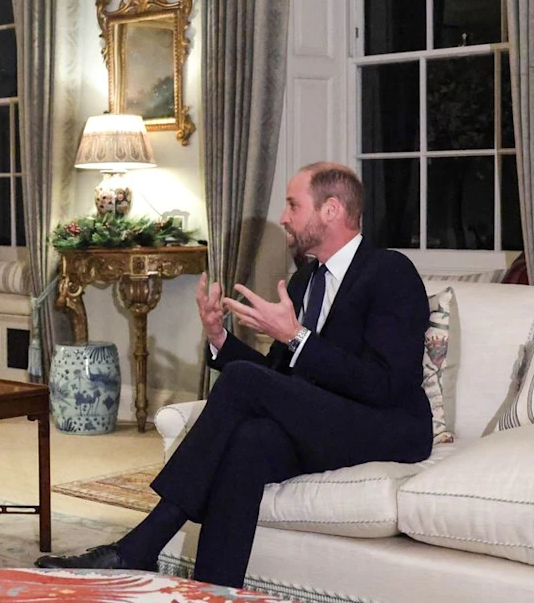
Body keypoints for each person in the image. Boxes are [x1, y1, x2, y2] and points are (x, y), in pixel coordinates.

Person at [35, 162, 432, 586]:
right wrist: (220, 339)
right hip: (325, 422)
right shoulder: (305, 281)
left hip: (385, 425)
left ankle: (139, 547)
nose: (283, 218)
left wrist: (295, 337)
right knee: (250, 440)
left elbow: (386, 383)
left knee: (243, 381)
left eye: (293, 205)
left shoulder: (389, 271)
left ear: (331, 209)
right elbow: (275, 379)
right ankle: (214, 590)